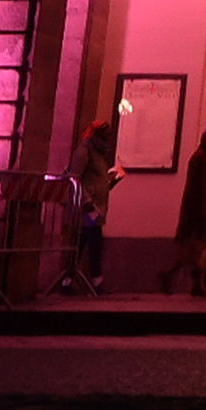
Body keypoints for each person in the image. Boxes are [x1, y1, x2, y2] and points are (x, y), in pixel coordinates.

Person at [161, 126, 206, 295]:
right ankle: (180, 279)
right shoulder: (201, 159)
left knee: (200, 250)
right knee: (197, 249)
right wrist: (203, 212)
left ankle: (195, 284)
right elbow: (199, 188)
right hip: (201, 212)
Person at [66, 115, 123, 293]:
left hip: (95, 206)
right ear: (95, 136)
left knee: (81, 244)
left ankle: (67, 281)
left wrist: (111, 180)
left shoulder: (98, 155)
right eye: (105, 137)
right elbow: (75, 178)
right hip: (87, 208)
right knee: (95, 242)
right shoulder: (84, 152)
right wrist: (86, 201)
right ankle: (97, 282)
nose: (107, 141)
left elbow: (97, 179)